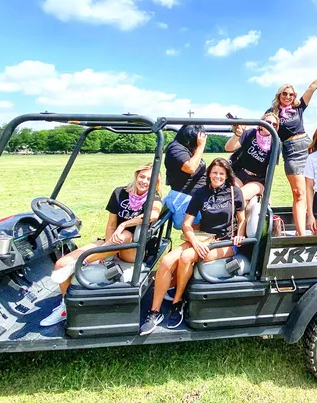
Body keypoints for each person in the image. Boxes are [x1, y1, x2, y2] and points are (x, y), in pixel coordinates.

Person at [40, 164, 163, 326]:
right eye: (142, 176)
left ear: (155, 182)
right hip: (114, 241)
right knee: (61, 263)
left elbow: (153, 215)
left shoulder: (154, 198)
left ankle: (81, 262)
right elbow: (111, 224)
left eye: (149, 179)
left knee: (125, 235)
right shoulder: (120, 193)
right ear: (136, 175)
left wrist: (124, 225)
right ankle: (65, 306)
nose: (145, 181)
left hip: (134, 249)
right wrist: (108, 249)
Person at [140, 158, 245, 334]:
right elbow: (187, 224)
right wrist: (195, 242)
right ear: (209, 173)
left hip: (225, 242)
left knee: (186, 256)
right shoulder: (201, 193)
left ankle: (177, 303)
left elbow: (242, 219)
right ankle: (154, 311)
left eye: (221, 173)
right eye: (214, 172)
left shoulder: (235, 192)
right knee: (166, 261)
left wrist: (240, 234)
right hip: (202, 237)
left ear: (227, 175)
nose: (217, 176)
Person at [271, 60, 317, 235]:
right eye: (285, 94)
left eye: (291, 94)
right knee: (299, 193)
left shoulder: (298, 108)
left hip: (307, 148)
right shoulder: (272, 113)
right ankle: (301, 233)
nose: (288, 97)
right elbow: (263, 130)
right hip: (291, 151)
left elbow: (312, 87)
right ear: (279, 95)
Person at [224, 112, 279, 202]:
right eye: (268, 122)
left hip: (257, 179)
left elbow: (270, 169)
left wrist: (267, 192)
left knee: (239, 197)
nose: (271, 125)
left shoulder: (275, 142)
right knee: (230, 194)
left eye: (275, 125)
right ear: (261, 124)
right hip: (240, 173)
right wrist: (237, 135)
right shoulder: (251, 133)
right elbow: (228, 148)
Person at [162, 124, 207, 229]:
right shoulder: (176, 148)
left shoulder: (187, 149)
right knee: (197, 233)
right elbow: (190, 168)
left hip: (194, 196)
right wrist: (201, 146)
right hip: (185, 197)